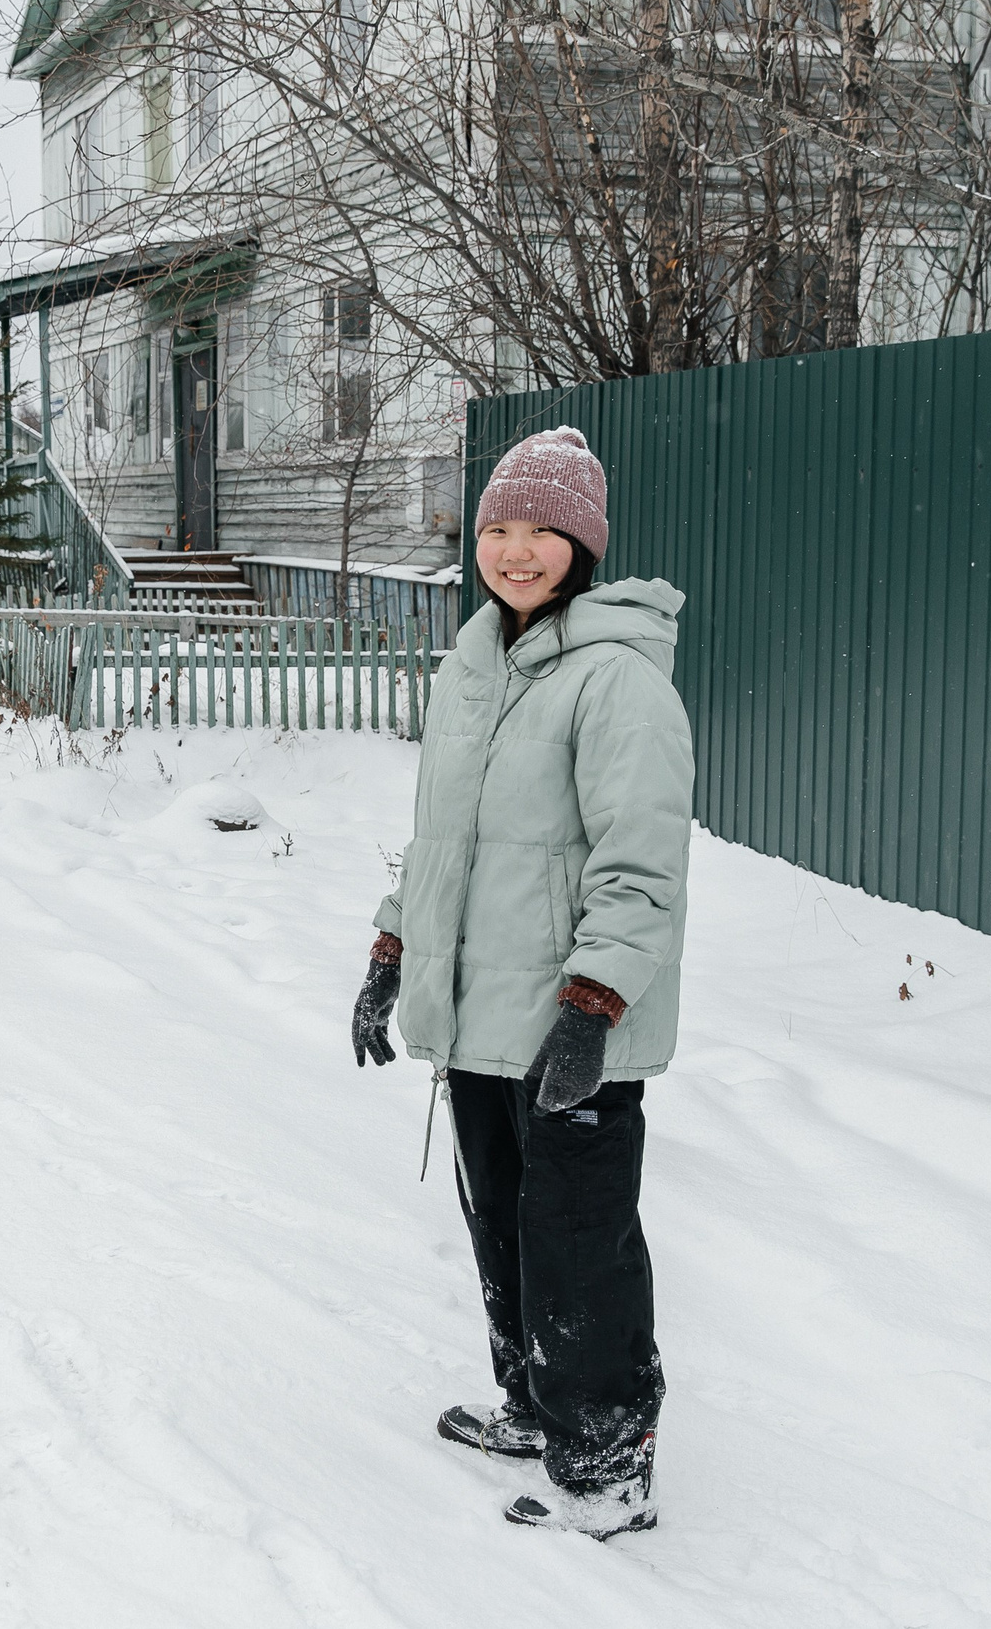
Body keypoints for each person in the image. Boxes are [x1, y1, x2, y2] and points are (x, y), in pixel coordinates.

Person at [352, 426, 692, 1540]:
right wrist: (392, 949)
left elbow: (638, 864)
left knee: (578, 1241)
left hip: (563, 1023)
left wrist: (593, 1005)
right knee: (501, 1216)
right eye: (497, 527)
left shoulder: (616, 681)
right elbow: (440, 836)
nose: (515, 548)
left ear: (581, 545)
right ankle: (533, 1405)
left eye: (540, 529)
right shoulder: (474, 665)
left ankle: (602, 1471)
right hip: (476, 1016)